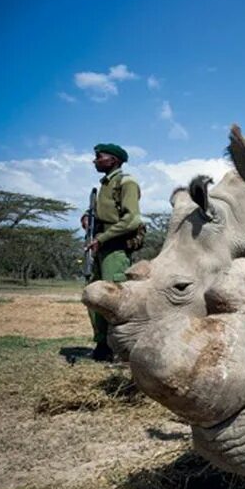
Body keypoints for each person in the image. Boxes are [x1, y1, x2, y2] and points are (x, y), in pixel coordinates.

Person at [83, 143, 143, 362]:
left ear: (114, 160)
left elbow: (132, 220)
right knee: (93, 296)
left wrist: (102, 238)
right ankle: (102, 345)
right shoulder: (104, 185)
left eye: (100, 157)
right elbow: (105, 213)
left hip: (115, 249)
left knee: (114, 300)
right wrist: (88, 217)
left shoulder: (126, 183)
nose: (95, 161)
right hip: (99, 247)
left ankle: (122, 349)